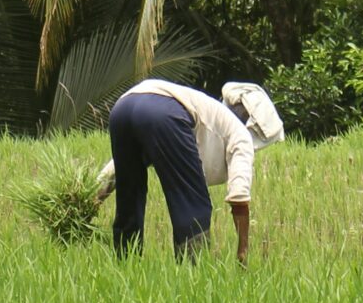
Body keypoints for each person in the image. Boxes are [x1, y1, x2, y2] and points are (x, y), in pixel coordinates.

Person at [96, 80, 285, 263]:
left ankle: (126, 266)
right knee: (193, 204)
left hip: (122, 108)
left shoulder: (210, 112)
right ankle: (193, 274)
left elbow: (117, 170)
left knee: (129, 196)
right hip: (163, 113)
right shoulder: (240, 135)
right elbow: (239, 195)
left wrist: (86, 202)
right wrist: (243, 250)